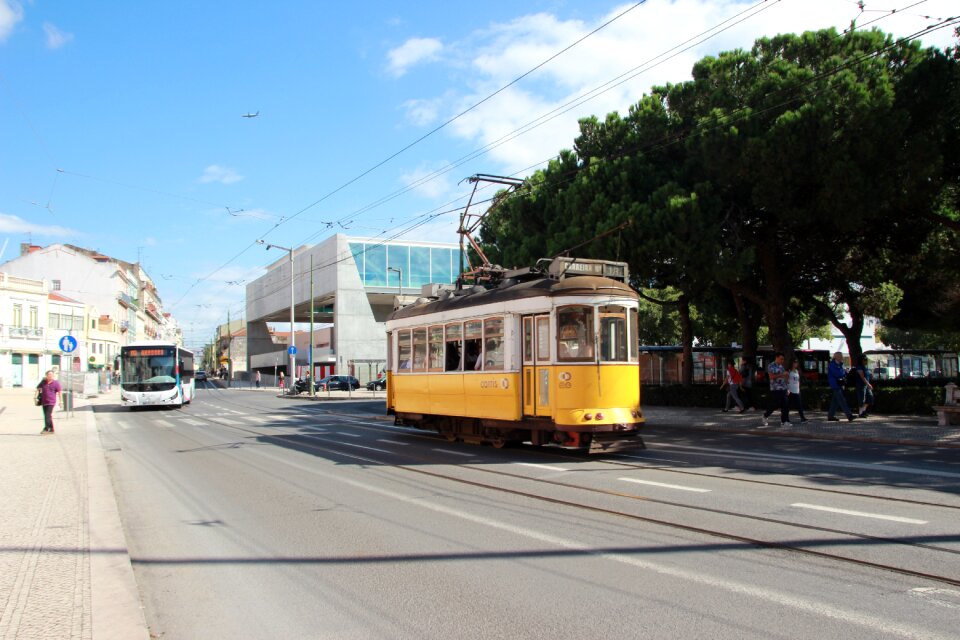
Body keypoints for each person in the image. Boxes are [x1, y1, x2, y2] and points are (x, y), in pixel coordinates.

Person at [827, 351, 856, 422]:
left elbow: (843, 373)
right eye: (841, 356)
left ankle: (830, 416)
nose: (842, 357)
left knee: (835, 401)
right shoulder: (832, 365)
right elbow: (838, 373)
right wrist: (844, 372)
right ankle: (849, 415)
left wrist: (845, 372)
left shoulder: (841, 364)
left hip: (839, 384)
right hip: (835, 384)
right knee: (842, 400)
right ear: (836, 357)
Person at [762, 352, 789, 426]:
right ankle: (765, 415)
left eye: (783, 359)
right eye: (781, 359)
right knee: (775, 404)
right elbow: (771, 377)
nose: (782, 361)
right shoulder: (771, 365)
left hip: (783, 388)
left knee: (785, 405)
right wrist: (782, 374)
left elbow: (784, 378)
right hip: (775, 388)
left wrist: (787, 381)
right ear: (776, 357)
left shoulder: (781, 367)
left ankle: (784, 421)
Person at [36, 370, 62, 435]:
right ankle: (51, 429)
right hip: (44, 401)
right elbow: (38, 388)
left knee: (47, 415)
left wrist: (61, 401)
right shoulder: (43, 382)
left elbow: (59, 392)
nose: (50, 376)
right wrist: (35, 398)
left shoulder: (56, 383)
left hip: (51, 401)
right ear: (46, 375)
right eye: (49, 375)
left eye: (52, 375)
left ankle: (47, 428)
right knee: (47, 415)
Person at [786, 358, 808, 422]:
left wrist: (799, 389)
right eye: (794, 363)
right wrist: (787, 389)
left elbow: (798, 381)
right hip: (790, 390)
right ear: (792, 364)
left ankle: (802, 418)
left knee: (799, 405)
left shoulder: (797, 371)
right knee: (788, 405)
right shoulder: (789, 371)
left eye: (796, 363)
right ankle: (786, 418)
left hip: (796, 390)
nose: (796, 364)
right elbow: (786, 380)